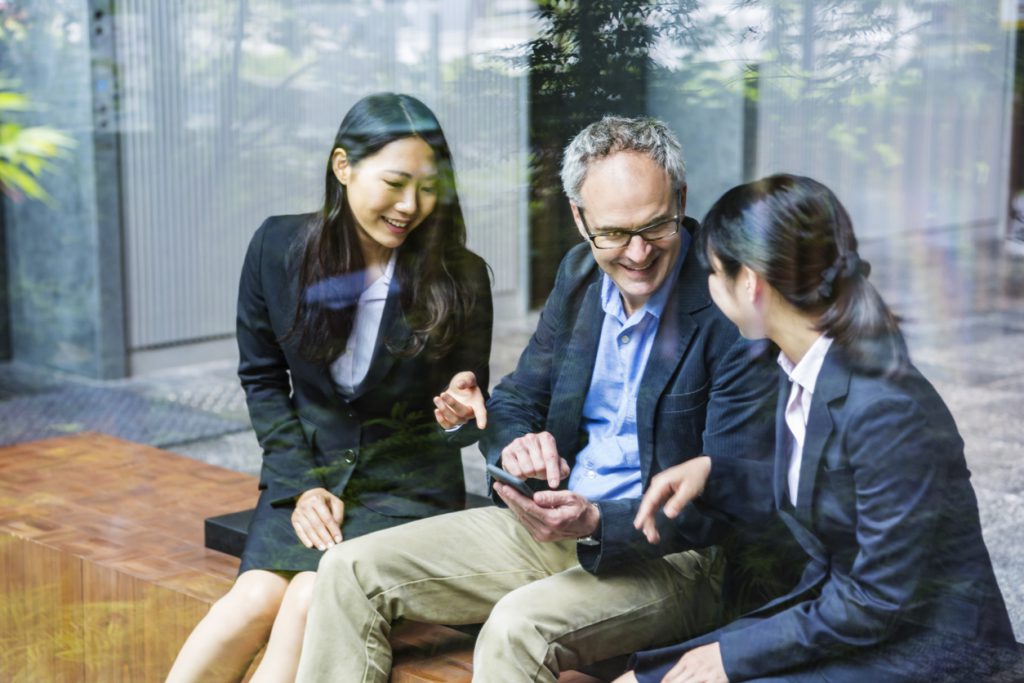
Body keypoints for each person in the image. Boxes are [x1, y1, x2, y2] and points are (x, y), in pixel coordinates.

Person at [295, 116, 785, 683]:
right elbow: (515, 401)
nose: (637, 253)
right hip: (551, 521)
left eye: (656, 226)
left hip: (670, 556)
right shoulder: (579, 275)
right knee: (347, 569)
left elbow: (729, 493)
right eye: (613, 233)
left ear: (680, 199)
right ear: (579, 218)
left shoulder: (729, 301)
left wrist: (598, 520)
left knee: (515, 626)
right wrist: (519, 447)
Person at [619, 174, 1017, 683]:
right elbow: (826, 486)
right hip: (851, 617)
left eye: (714, 273)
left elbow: (878, 598)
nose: (709, 287)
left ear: (751, 284)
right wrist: (715, 470)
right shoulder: (801, 362)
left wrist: (732, 657)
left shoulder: (886, 408)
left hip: (933, 647)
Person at [165, 92, 492, 683]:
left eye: (426, 187)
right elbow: (263, 379)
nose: (410, 206)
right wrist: (302, 486)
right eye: (394, 183)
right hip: (306, 475)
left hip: (406, 490)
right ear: (343, 167)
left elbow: (466, 412)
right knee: (251, 600)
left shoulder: (459, 276)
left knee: (308, 598)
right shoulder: (276, 248)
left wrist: (458, 415)